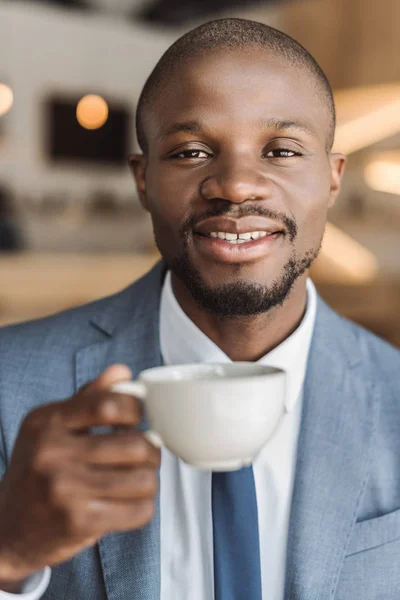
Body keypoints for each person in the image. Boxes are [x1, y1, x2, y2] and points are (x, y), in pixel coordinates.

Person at [0, 17, 399, 600]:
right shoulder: (7, 385)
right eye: (190, 151)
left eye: (282, 150)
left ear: (332, 178)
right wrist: (9, 556)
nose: (237, 185)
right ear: (143, 180)